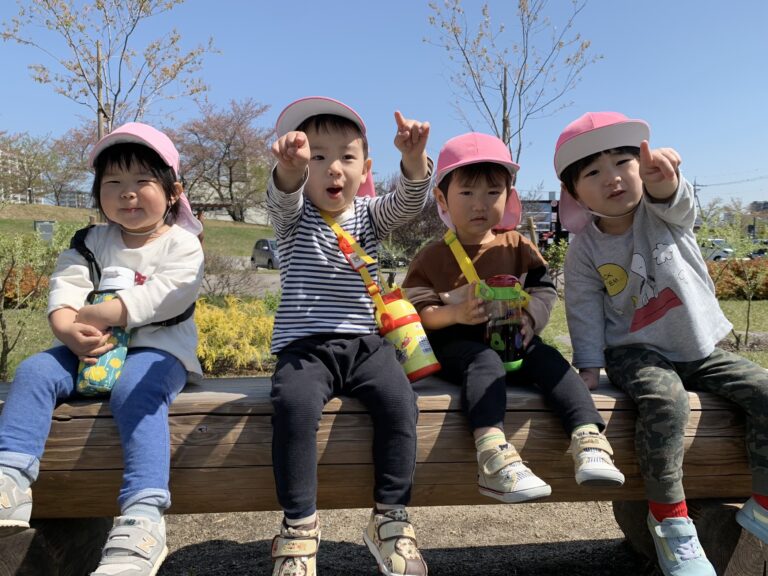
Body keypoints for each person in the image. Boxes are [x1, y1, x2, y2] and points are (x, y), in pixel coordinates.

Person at [555, 111, 768, 576]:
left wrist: (667, 182)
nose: (612, 178)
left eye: (623, 162)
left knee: (765, 391)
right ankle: (670, 523)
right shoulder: (585, 249)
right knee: (666, 403)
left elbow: (680, 201)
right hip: (635, 350)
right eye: (593, 172)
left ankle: (764, 507)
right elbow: (585, 311)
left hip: (704, 344)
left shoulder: (663, 213)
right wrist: (588, 368)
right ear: (574, 193)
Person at [0, 122, 204, 576]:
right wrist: (66, 325)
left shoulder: (183, 244)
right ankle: (9, 478)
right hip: (86, 348)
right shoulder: (91, 242)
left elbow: (168, 294)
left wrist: (103, 313)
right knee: (34, 372)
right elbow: (67, 284)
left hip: (158, 352)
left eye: (141, 182)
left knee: (136, 390)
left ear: (173, 191)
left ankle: (143, 515)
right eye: (113, 183)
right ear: (98, 193)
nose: (127, 194)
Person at [402, 132, 624, 507]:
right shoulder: (432, 257)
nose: (480, 204)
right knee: (483, 361)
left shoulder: (518, 245)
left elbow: (543, 289)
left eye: (493, 192)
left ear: (508, 196)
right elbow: (418, 315)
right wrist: (455, 313)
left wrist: (530, 319)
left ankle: (588, 437)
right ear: (442, 198)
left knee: (550, 359)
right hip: (458, 346)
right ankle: (491, 452)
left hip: (512, 338)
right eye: (467, 193)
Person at [267, 96, 433, 576]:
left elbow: (409, 201)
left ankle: (390, 519)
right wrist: (288, 172)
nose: (332, 168)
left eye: (346, 157)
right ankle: (299, 528)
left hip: (366, 345)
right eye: (316, 157)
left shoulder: (368, 216)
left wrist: (414, 158)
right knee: (293, 407)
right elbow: (281, 197)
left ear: (365, 169)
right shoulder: (293, 220)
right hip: (305, 350)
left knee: (400, 403)